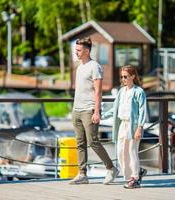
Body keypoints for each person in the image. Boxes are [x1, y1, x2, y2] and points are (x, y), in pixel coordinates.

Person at [70, 37, 119, 185]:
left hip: (89, 109)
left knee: (93, 142)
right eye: (76, 49)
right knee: (80, 143)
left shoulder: (95, 66)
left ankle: (111, 168)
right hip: (77, 109)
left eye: (79, 50)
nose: (76, 52)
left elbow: (98, 92)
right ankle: (82, 174)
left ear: (86, 50)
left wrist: (96, 111)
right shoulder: (79, 67)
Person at [102, 65, 147, 189]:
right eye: (121, 77)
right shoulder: (122, 91)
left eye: (125, 76)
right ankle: (130, 176)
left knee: (132, 152)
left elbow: (143, 111)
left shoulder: (139, 92)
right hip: (122, 124)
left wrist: (140, 127)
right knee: (120, 152)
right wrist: (102, 115)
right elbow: (115, 108)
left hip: (133, 125)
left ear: (133, 76)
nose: (123, 79)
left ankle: (135, 178)